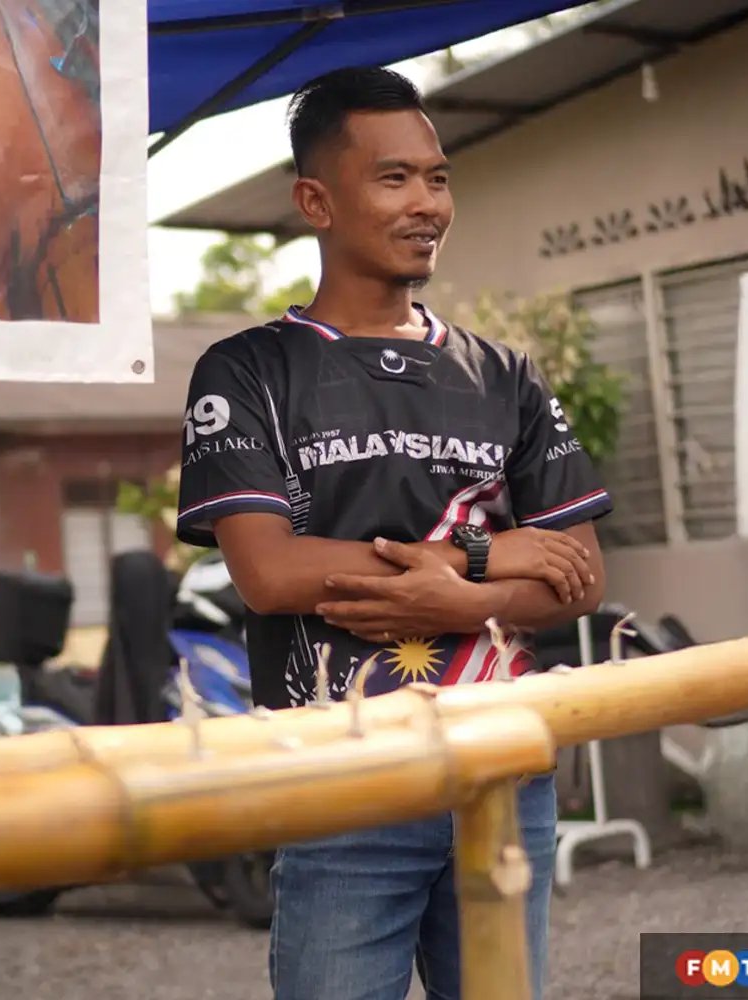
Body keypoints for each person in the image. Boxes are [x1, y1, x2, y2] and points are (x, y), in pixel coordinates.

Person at [174, 65, 613, 1000]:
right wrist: (486, 558)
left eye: (438, 177)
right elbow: (270, 572)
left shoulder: (506, 376)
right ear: (315, 201)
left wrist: (462, 590)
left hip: (502, 774)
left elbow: (578, 577)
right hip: (342, 784)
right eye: (394, 179)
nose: (427, 203)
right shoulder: (246, 371)